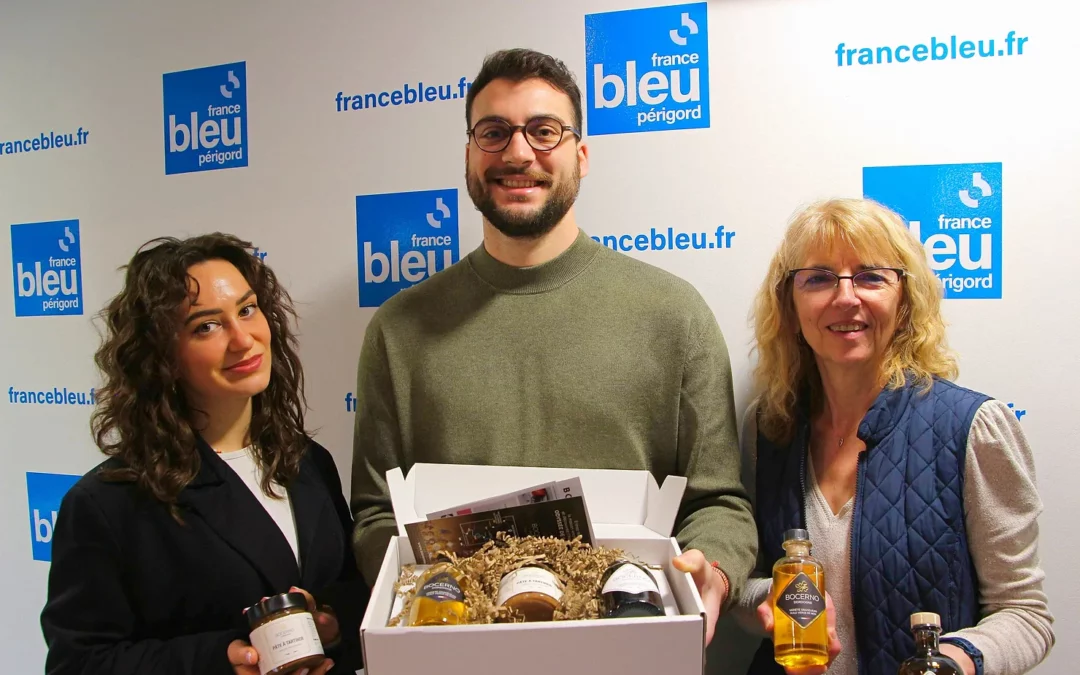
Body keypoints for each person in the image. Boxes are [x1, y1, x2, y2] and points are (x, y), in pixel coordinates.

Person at [350, 48, 757, 644]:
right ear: (468, 155)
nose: (518, 153)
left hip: (628, 638)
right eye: (494, 133)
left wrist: (712, 571)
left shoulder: (674, 314)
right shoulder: (398, 329)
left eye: (544, 131)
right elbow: (375, 515)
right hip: (460, 646)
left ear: (581, 155)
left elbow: (719, 503)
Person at [737, 199, 1054, 675]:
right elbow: (746, 584)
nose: (846, 297)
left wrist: (951, 662)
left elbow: (1027, 615)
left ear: (905, 298)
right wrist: (770, 597)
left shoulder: (973, 427)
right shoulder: (768, 428)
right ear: (790, 302)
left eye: (870, 276)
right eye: (819, 278)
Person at [41, 234, 368, 675]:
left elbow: (350, 587)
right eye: (206, 326)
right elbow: (78, 664)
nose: (243, 339)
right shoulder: (106, 505)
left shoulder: (308, 460)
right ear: (162, 356)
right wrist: (218, 661)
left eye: (247, 309)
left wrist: (330, 625)